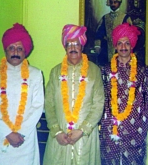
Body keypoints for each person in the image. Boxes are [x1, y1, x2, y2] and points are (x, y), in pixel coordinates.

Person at [0, 23, 44, 165]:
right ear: (5, 50)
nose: (15, 52)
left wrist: (21, 133)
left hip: (25, 139)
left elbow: (38, 105)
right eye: (11, 48)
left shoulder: (35, 74)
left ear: (25, 51)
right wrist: (8, 133)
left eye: (20, 48)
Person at [43, 24, 105, 165]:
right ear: (65, 47)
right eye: (69, 44)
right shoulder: (55, 72)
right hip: (60, 137)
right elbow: (49, 103)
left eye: (76, 44)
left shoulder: (94, 71)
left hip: (85, 137)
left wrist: (82, 130)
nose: (73, 48)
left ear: (82, 46)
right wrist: (57, 131)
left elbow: (99, 104)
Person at [100, 23, 148, 164]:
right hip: (111, 130)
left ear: (132, 45)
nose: (123, 47)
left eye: (127, 43)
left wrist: (142, 129)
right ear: (116, 46)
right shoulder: (105, 70)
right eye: (120, 43)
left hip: (135, 131)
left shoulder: (142, 70)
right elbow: (102, 99)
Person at [95, 0, 132, 66]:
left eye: (115, 2)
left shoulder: (125, 17)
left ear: (119, 3)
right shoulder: (105, 17)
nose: (113, 4)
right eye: (111, 2)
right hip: (106, 49)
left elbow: (131, 36)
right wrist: (98, 45)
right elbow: (99, 33)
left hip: (121, 48)